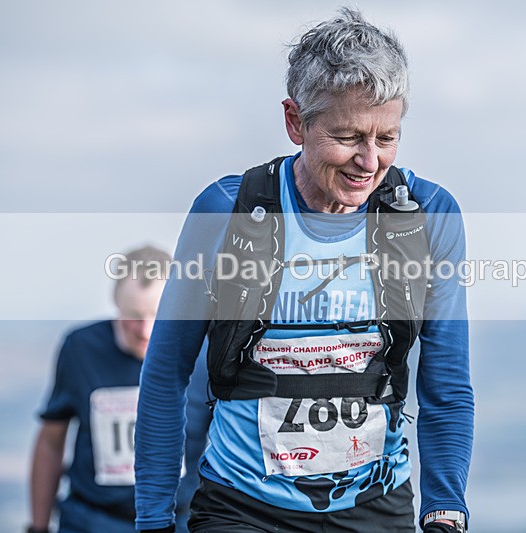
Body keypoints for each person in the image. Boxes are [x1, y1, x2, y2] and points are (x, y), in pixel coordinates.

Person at [135, 8, 474, 533]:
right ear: (295, 121)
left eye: (387, 138)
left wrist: (445, 510)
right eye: (348, 137)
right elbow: (165, 374)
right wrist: (153, 520)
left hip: (376, 508)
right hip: (240, 508)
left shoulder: (427, 215)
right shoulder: (226, 211)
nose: (369, 161)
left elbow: (446, 383)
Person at [28, 245, 210, 533]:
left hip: (183, 520)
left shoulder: (205, 353)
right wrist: (38, 527)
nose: (146, 330)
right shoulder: (81, 349)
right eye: (134, 316)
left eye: (158, 316)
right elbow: (51, 439)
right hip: (92, 520)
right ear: (115, 302)